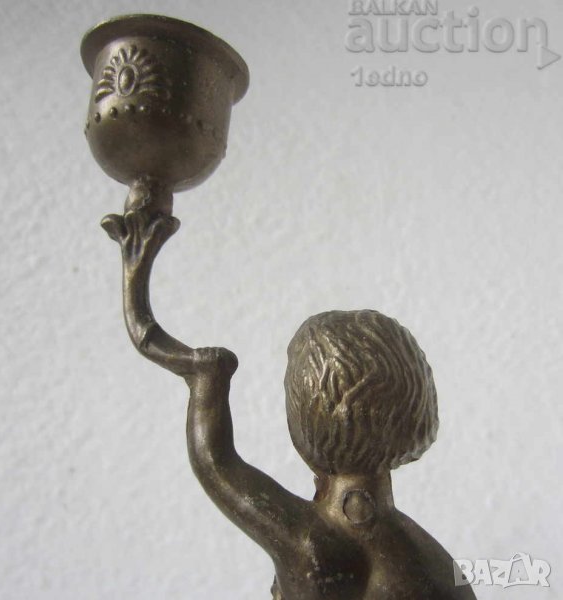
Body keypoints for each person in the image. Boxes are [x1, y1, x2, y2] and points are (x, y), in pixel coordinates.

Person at [101, 205, 476, 600]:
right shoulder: (433, 560)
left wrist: (206, 377)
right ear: (418, 415)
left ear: (305, 415)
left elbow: (213, 461)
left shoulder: (310, 544)